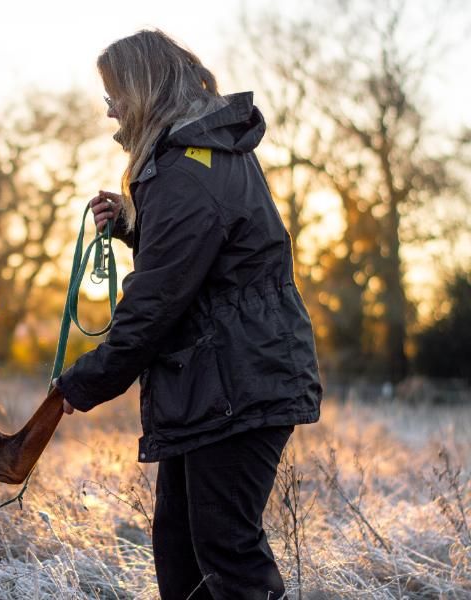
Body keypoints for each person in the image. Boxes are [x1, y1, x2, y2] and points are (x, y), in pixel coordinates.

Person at [52, 30, 322, 599]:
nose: (110, 110)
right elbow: (199, 259)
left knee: (226, 554)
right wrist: (131, 224)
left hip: (237, 386)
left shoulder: (185, 172)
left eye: (115, 94)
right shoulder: (197, 157)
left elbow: (154, 304)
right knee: (182, 551)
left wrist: (84, 379)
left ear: (144, 89)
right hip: (221, 383)